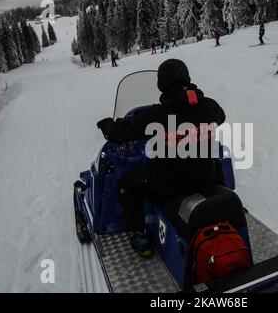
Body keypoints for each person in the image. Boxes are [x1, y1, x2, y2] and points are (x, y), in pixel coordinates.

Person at [96, 59, 226, 258]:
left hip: (168, 184)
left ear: (161, 84)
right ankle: (224, 199)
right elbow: (221, 117)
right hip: (204, 177)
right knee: (215, 159)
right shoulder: (210, 107)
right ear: (187, 80)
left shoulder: (157, 115)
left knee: (126, 184)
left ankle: (140, 236)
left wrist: (108, 127)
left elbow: (121, 132)